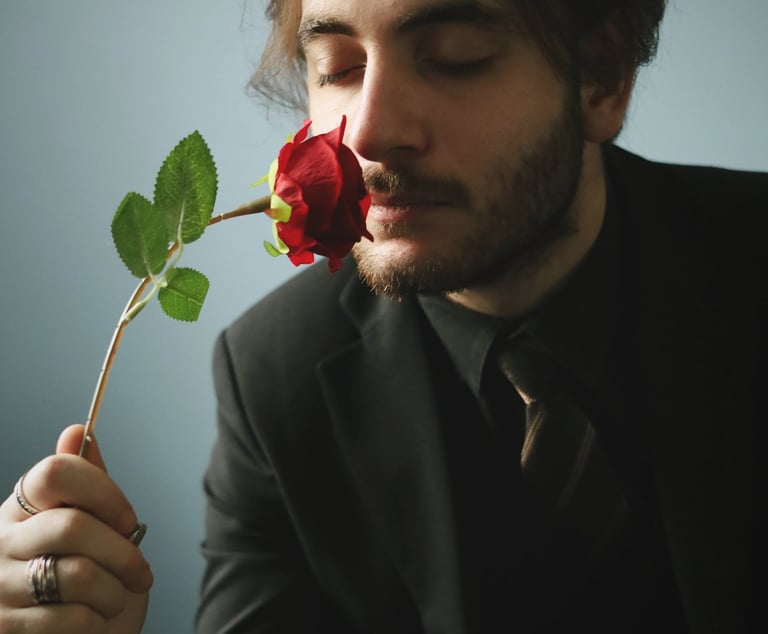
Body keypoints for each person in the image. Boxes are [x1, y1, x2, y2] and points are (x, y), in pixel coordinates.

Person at [0, 0, 764, 632]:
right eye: (336, 68)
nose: (366, 132)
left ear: (601, 77)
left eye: (454, 56)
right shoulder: (274, 373)